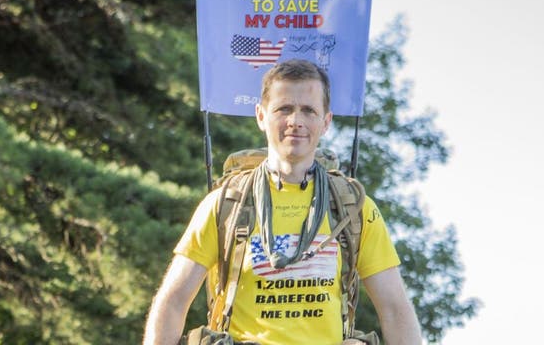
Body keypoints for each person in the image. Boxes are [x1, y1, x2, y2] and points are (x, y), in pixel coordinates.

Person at [143, 59, 421, 345]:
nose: (296, 121)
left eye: (308, 110)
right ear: (261, 116)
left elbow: (395, 309)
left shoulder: (354, 208)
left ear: (326, 122)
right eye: (284, 109)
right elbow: (173, 301)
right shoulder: (225, 205)